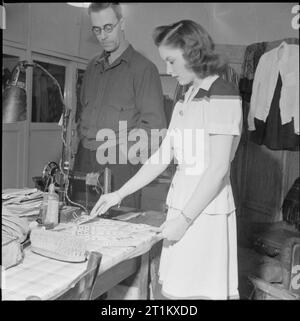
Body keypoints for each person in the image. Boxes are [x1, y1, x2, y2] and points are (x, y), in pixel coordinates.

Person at [91, 20, 242, 300]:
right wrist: (118, 194)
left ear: (193, 53)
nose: (169, 71)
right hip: (182, 203)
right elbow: (162, 156)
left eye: (171, 62)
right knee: (175, 291)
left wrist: (184, 220)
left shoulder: (222, 93)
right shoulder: (186, 96)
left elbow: (219, 168)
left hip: (205, 210)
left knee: (200, 291)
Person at [74, 3, 166, 209]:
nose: (102, 36)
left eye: (108, 27)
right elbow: (81, 116)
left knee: (118, 228)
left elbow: (154, 127)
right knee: (78, 220)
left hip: (119, 164)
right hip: (84, 159)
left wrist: (123, 158)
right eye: (96, 30)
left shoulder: (143, 69)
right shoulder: (91, 68)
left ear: (122, 23)